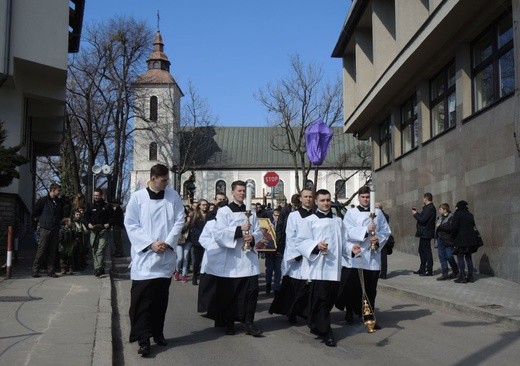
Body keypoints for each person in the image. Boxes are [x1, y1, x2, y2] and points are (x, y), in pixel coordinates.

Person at [124, 163, 185, 357]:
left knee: (160, 300)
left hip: (164, 257)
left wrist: (166, 243)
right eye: (163, 180)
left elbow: (180, 220)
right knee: (142, 302)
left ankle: (157, 332)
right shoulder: (138, 198)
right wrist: (150, 244)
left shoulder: (173, 196)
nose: (167, 183)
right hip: (145, 259)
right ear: (153, 178)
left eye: (167, 180)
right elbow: (131, 223)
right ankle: (143, 339)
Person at [295, 189, 350, 347]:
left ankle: (319, 325)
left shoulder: (338, 221)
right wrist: (315, 245)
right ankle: (327, 332)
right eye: (323, 200)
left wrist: (352, 249)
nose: (326, 203)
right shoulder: (310, 221)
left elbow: (344, 242)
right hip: (318, 267)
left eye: (328, 200)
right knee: (322, 299)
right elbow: (300, 242)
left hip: (334, 267)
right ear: (316, 202)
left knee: (330, 299)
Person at [211, 180, 264, 337]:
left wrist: (253, 238)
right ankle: (230, 322)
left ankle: (249, 322)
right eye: (239, 191)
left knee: (251, 292)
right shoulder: (224, 212)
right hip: (232, 259)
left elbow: (259, 230)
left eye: (244, 191)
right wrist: (239, 231)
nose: (242, 193)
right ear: (232, 192)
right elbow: (219, 234)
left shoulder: (252, 212)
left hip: (249, 259)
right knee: (232, 293)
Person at [340, 187, 391, 329]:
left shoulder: (378, 213)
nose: (365, 199)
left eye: (368, 197)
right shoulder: (351, 213)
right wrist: (365, 231)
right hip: (357, 253)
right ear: (358, 198)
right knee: (354, 287)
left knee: (371, 289)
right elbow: (347, 232)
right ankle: (349, 312)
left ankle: (369, 317)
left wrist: (378, 238)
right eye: (363, 197)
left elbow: (385, 231)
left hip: (373, 256)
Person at [269, 189, 312, 324]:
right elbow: (291, 236)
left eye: (311, 197)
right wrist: (298, 252)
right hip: (297, 256)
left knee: (309, 286)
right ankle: (291, 312)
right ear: (300, 198)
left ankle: (306, 312)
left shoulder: (316, 215)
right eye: (305, 197)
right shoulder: (294, 216)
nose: (308, 199)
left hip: (312, 255)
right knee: (294, 286)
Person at [197, 192, 228, 316]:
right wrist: (214, 245)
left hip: (226, 258)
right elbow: (203, 238)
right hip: (212, 256)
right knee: (210, 286)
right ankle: (208, 308)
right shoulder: (210, 222)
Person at [32, 182, 63, 278]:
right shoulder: (43, 200)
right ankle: (35, 270)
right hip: (45, 228)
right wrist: (40, 221)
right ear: (53, 190)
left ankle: (50, 270)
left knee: (52, 250)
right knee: (42, 249)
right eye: (58, 190)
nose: (59, 192)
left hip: (55, 228)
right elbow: (35, 213)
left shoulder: (59, 202)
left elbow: (60, 214)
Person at [83, 188, 112, 277]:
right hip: (93, 231)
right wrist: (88, 224)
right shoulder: (90, 206)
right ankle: (101, 267)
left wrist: (109, 224)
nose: (95, 197)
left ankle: (97, 269)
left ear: (101, 195)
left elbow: (113, 217)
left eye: (97, 195)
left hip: (103, 230)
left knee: (100, 250)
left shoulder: (107, 206)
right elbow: (85, 218)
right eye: (94, 195)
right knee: (95, 250)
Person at [450, 200, 479, 283]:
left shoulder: (457, 214)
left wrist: (452, 237)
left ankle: (462, 276)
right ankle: (470, 276)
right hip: (471, 240)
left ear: (458, 207)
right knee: (468, 257)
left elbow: (454, 227)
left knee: (460, 257)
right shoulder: (470, 215)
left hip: (461, 240)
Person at [412, 193, 436, 276]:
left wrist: (415, 214)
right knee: (421, 251)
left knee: (426, 251)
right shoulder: (427, 208)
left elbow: (423, 220)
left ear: (426, 198)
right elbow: (422, 217)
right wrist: (416, 213)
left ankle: (429, 270)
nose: (423, 200)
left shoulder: (430, 208)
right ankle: (422, 269)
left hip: (426, 233)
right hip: (423, 233)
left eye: (423, 198)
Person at [435, 203, 459, 281]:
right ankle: (444, 274)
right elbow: (438, 228)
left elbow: (450, 227)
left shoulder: (451, 217)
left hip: (448, 240)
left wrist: (440, 226)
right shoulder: (439, 217)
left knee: (449, 256)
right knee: (441, 256)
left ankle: (455, 271)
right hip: (440, 239)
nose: (439, 210)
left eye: (440, 209)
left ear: (445, 209)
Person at [190, 199, 209, 285]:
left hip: (207, 241)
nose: (205, 206)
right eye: (203, 204)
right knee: (197, 260)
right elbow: (193, 228)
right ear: (199, 206)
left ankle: (203, 277)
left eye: (206, 205)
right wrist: (201, 234)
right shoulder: (195, 215)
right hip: (198, 241)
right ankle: (194, 276)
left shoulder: (209, 215)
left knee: (206, 260)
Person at [264, 208, 282, 294]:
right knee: (269, 269)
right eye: (275, 215)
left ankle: (276, 288)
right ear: (272, 215)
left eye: (278, 215)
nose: (277, 217)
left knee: (278, 270)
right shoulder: (268, 224)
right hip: (269, 251)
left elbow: (282, 236)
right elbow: (264, 236)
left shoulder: (282, 224)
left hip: (278, 250)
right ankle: (268, 284)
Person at [375, 202, 392, 279]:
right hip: (384, 238)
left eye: (375, 207)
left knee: (379, 256)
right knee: (383, 257)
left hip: (380, 238)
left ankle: (380, 272)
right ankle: (383, 273)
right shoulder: (386, 215)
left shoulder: (379, 215)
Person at [174, 210, 192, 283]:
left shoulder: (190, 219)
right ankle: (177, 271)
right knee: (180, 258)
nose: (184, 214)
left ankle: (184, 275)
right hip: (179, 241)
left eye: (184, 213)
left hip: (188, 241)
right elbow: (182, 229)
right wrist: (188, 222)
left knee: (186, 258)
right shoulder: (178, 221)